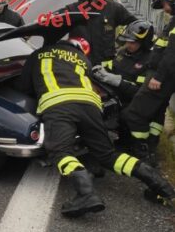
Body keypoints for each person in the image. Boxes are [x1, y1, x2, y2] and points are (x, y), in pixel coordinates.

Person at [18, 36, 175, 217]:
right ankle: (162, 187)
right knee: (107, 155)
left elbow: (24, 87)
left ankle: (86, 194)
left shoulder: (38, 54)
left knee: (60, 152)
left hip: (59, 104)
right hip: (90, 105)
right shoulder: (81, 57)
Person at [122, 0, 175, 174]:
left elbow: (172, 55)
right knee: (156, 114)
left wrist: (158, 78)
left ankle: (141, 154)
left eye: (165, 4)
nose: (164, 9)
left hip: (162, 77)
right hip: (165, 76)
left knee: (133, 113)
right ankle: (152, 148)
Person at [59, 0, 139, 66]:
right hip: (78, 64)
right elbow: (52, 21)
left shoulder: (115, 9)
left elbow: (137, 24)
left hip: (105, 67)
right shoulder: (72, 10)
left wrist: (124, 42)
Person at [92, 19, 154, 106]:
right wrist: (102, 71)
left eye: (132, 42)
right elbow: (113, 67)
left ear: (144, 42)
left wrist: (119, 82)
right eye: (127, 41)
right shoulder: (123, 52)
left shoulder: (150, 61)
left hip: (129, 105)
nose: (128, 44)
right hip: (111, 97)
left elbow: (141, 93)